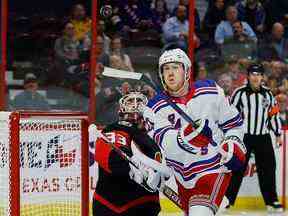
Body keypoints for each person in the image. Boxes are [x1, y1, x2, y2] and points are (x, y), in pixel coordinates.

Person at [143, 48, 246, 216]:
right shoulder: (154, 107)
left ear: (187, 71)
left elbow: (234, 124)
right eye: (166, 69)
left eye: (176, 67)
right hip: (182, 179)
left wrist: (233, 144)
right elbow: (164, 144)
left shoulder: (211, 91)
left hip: (213, 169)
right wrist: (188, 136)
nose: (170, 73)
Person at [224, 63, 284, 213]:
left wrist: (277, 133)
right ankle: (227, 200)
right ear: (248, 76)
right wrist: (229, 134)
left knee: (268, 169)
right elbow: (232, 114)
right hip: (245, 137)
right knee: (237, 168)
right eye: (253, 74)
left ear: (262, 77)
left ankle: (272, 201)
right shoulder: (239, 93)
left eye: (258, 74)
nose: (256, 77)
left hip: (263, 137)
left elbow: (273, 114)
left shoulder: (268, 94)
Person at [92, 92, 162, 216]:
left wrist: (159, 176)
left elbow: (164, 166)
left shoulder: (156, 133)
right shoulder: (114, 128)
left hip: (143, 203)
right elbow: (109, 159)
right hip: (109, 203)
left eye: (139, 102)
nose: (135, 104)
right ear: (121, 109)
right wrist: (132, 170)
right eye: (130, 101)